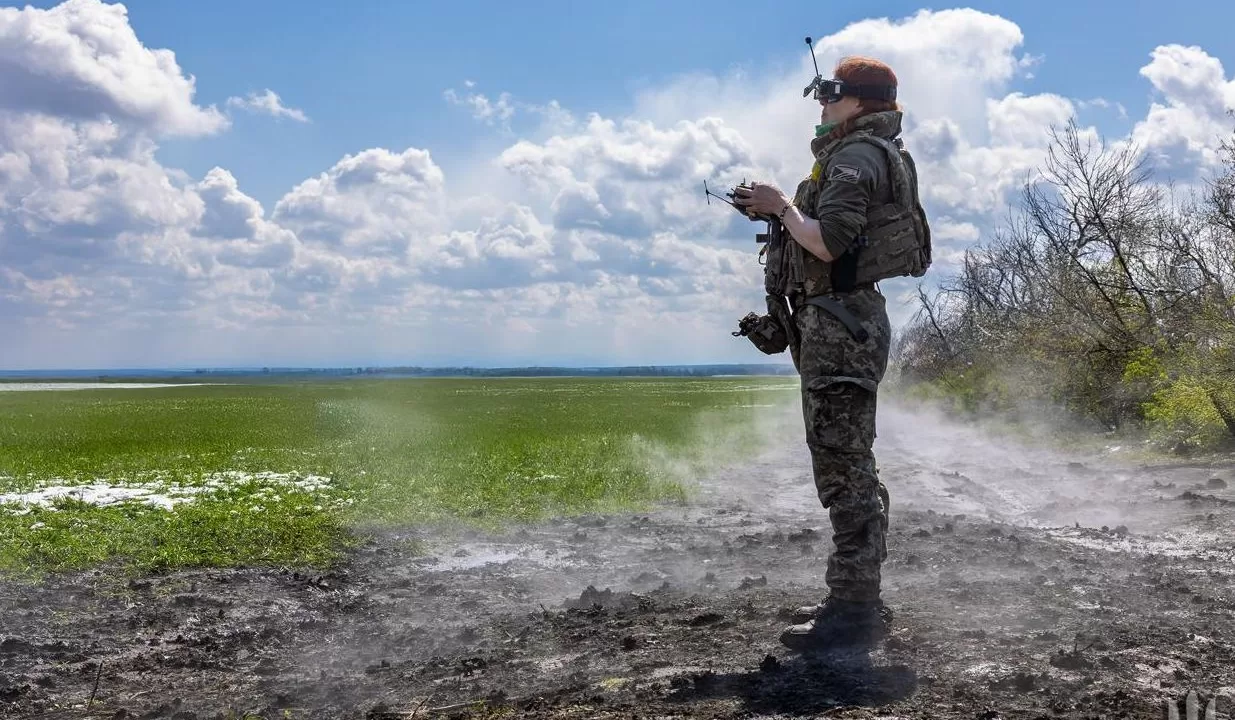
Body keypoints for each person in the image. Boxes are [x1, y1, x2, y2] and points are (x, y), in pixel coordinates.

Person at [735, 55, 929, 651]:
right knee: (848, 462)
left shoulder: (854, 158)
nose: (821, 104)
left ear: (860, 101)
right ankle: (856, 594)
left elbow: (827, 243)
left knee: (844, 467)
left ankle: (854, 608)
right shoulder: (864, 153)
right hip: (840, 324)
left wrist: (782, 208)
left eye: (830, 94)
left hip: (841, 328)